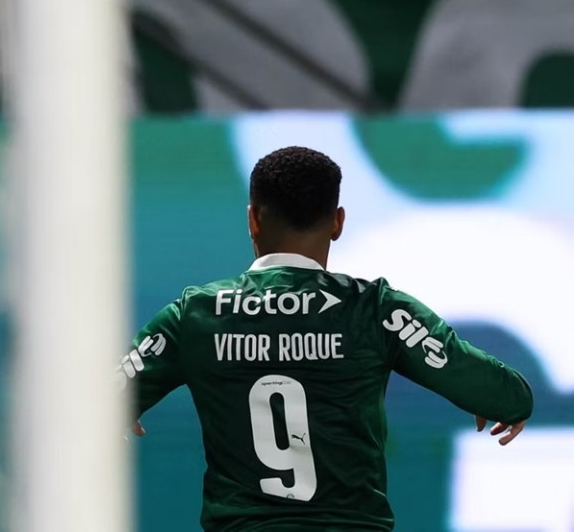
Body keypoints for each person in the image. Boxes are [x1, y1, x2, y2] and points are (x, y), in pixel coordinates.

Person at [118, 146, 534, 531]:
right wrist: (500, 400)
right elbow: (499, 391)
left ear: (252, 219)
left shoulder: (195, 314)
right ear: (337, 222)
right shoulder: (376, 310)